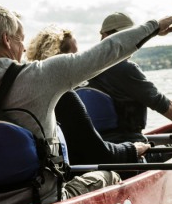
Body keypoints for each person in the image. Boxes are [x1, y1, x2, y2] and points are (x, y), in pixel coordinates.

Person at [0, 5, 172, 204]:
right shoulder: (39, 76)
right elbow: (106, 52)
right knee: (109, 176)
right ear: (8, 40)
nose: (23, 47)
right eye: (21, 39)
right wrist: (154, 27)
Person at [25, 26, 151, 164]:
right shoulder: (66, 98)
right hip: (82, 172)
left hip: (57, 171)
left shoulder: (27, 94)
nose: (80, 62)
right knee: (160, 152)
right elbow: (100, 154)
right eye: (75, 56)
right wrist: (132, 149)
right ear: (62, 61)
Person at [87, 12, 172, 143]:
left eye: (132, 36)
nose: (131, 41)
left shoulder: (87, 66)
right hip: (131, 147)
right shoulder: (125, 69)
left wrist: (154, 31)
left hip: (99, 148)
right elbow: (163, 104)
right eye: (125, 37)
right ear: (105, 37)